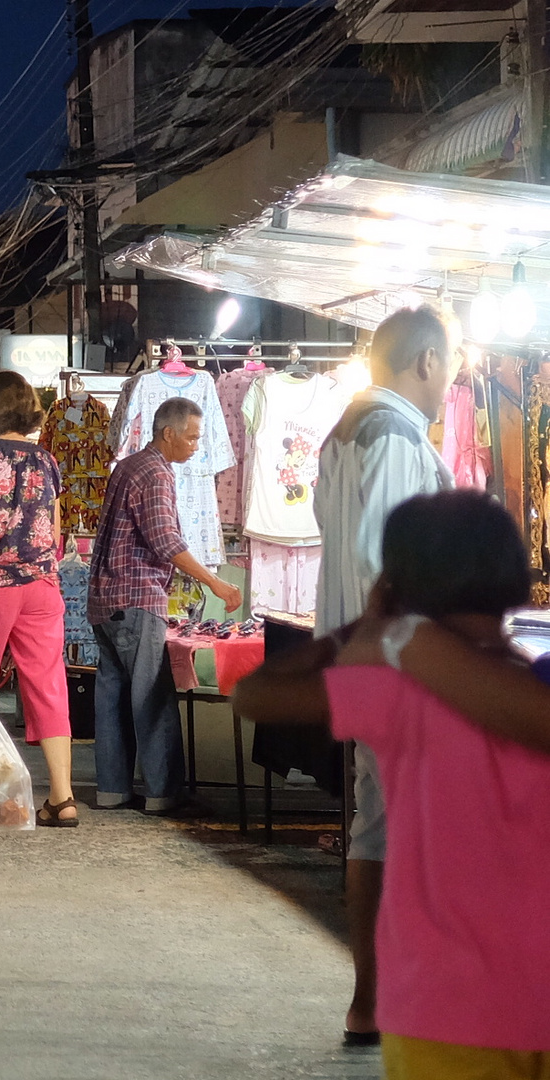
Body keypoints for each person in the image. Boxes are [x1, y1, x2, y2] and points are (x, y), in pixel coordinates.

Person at [233, 491, 550, 1074]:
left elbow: (255, 695)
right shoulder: (532, 685)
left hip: (444, 1004)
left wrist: (363, 627)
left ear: (401, 583)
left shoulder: (403, 691)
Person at [312, 303, 458, 1046]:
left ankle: (372, 1001)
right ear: (426, 360)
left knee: (376, 829)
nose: (453, 374)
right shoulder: (396, 433)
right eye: (451, 359)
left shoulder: (344, 431)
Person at [88, 397, 242, 816]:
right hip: (136, 596)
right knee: (152, 696)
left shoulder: (129, 466)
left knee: (114, 697)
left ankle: (112, 789)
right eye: (191, 437)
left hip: (106, 599)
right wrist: (216, 583)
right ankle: (161, 794)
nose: (196, 445)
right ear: (168, 433)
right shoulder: (156, 473)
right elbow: (165, 542)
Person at [0, 371, 77, 826]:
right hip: (43, 586)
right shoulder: (47, 459)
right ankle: (62, 797)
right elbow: (56, 532)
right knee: (48, 686)